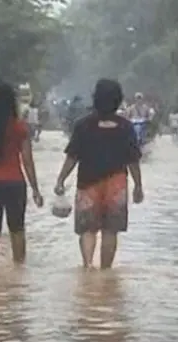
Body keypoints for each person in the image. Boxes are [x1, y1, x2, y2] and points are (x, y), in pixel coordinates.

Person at [54, 78, 144, 269]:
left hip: (88, 184)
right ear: (118, 100)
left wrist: (61, 180)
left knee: (88, 230)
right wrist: (138, 186)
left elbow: (72, 157)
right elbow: (133, 161)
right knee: (110, 231)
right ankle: (105, 272)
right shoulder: (126, 128)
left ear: (95, 99)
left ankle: (87, 266)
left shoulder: (83, 126)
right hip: (116, 184)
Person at [0, 82, 44, 268]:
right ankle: (19, 269)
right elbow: (28, 161)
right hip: (15, 184)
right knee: (17, 228)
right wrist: (36, 190)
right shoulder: (19, 128)